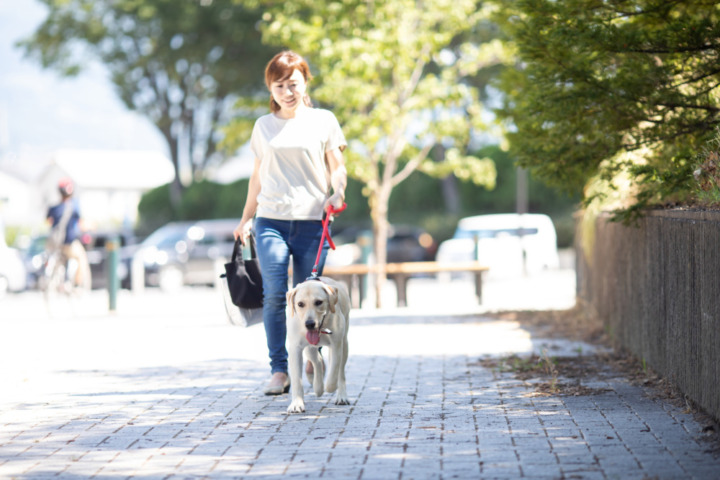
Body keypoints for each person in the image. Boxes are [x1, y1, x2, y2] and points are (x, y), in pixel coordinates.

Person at [233, 50, 348, 395]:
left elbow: (337, 166)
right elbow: (257, 176)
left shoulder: (323, 120)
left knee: (311, 295)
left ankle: (311, 359)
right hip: (271, 221)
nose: (287, 91)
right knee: (275, 296)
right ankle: (280, 370)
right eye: (279, 85)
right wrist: (245, 217)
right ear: (270, 88)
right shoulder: (263, 126)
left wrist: (338, 192)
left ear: (304, 83)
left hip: (313, 222)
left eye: (293, 83)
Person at [46, 177, 91, 290]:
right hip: (69, 243)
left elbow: (48, 221)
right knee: (82, 258)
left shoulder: (53, 208)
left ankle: (62, 281)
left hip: (55, 243)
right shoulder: (74, 206)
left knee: (61, 258)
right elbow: (80, 224)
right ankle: (76, 284)